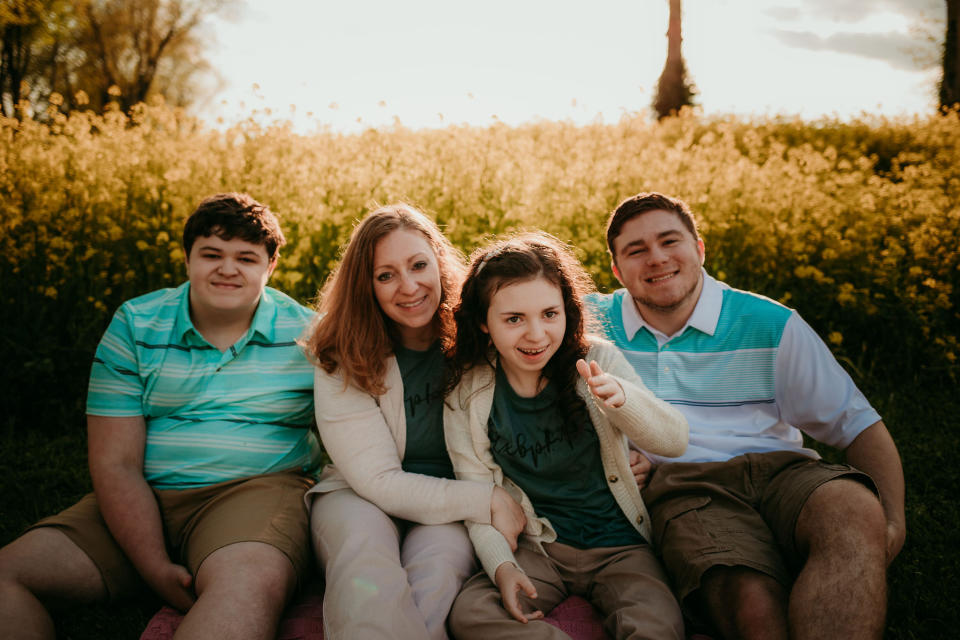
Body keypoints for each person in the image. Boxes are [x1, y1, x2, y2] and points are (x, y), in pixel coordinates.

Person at [0, 193, 320, 640]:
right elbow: (115, 462)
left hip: (258, 493)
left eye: (246, 258)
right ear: (188, 258)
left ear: (270, 268)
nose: (228, 269)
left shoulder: (310, 335)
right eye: (212, 254)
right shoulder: (136, 323)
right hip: (141, 496)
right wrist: (153, 566)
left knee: (243, 590)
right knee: (7, 577)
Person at [587, 191, 906, 639]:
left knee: (854, 512)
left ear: (699, 249)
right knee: (751, 603)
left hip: (783, 472)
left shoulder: (770, 323)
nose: (656, 259)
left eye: (669, 242)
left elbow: (857, 425)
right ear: (617, 271)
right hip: (687, 484)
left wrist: (893, 523)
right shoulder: (588, 324)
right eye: (636, 251)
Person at [443, 232, 689, 640]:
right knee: (472, 614)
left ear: (567, 311)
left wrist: (623, 401)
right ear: (484, 324)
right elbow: (478, 493)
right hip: (541, 547)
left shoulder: (597, 360)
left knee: (657, 624)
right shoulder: (468, 392)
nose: (536, 334)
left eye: (549, 314)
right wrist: (503, 566)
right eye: (514, 319)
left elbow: (674, 440)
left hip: (620, 548)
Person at [302, 203, 526, 640]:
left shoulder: (479, 334)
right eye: (386, 275)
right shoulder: (341, 351)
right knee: (364, 566)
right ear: (365, 286)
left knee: (436, 578)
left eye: (419, 265)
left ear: (440, 264)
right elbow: (378, 480)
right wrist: (489, 500)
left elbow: (554, 348)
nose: (409, 287)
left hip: (450, 504)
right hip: (359, 495)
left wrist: (621, 444)